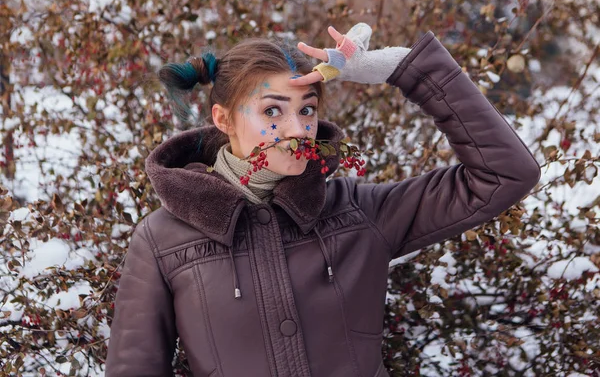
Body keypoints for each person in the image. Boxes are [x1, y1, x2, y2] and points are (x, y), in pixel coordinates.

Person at [105, 23, 541, 376]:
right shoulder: (163, 240)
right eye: (272, 110)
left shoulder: (359, 213)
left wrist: (404, 70)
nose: (296, 127)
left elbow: (504, 174)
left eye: (307, 109)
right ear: (224, 119)